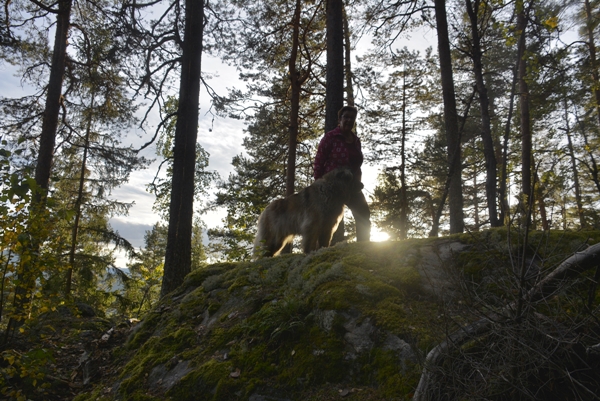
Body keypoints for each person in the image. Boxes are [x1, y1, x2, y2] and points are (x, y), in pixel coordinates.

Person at [314, 105, 371, 243]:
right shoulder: (330, 137)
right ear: (339, 119)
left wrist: (358, 181)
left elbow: (357, 164)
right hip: (331, 186)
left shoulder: (356, 140)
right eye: (346, 117)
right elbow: (319, 161)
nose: (349, 120)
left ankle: (363, 248)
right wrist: (318, 185)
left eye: (352, 118)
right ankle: (321, 251)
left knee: (363, 213)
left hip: (352, 185)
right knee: (328, 219)